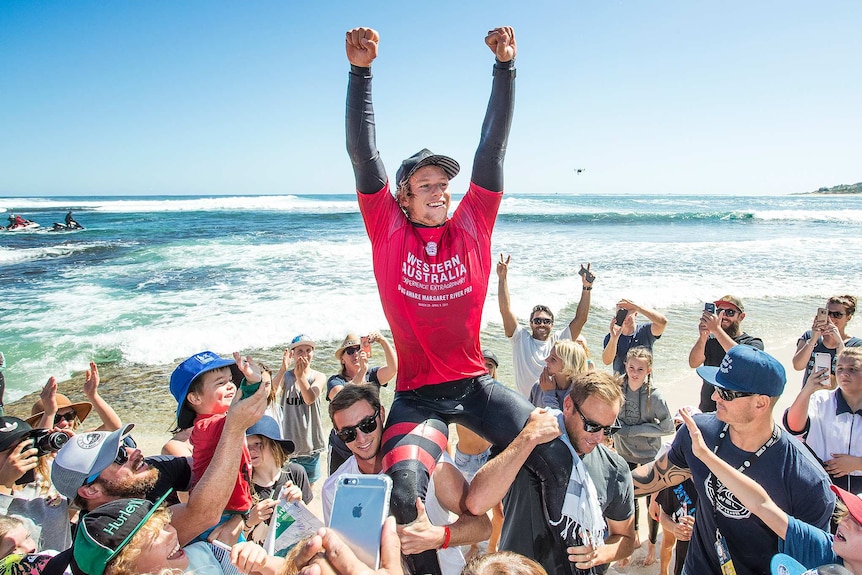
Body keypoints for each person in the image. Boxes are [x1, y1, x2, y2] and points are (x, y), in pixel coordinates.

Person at [346, 24, 585, 575]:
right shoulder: (387, 229)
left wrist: (506, 67)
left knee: (556, 457)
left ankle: (552, 561)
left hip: (476, 386)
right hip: (417, 398)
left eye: (442, 182)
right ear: (402, 199)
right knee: (404, 491)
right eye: (425, 183)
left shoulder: (474, 224)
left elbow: (491, 146)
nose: (439, 188)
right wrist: (361, 74)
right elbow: (365, 156)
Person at [631, 345, 835, 575]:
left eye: (727, 393)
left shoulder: (807, 480)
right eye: (717, 386)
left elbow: (814, 560)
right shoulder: (699, 434)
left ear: (761, 403)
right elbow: (656, 477)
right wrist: (598, 488)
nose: (714, 396)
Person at [466, 371, 636, 575]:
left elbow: (626, 538)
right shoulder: (528, 441)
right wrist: (528, 438)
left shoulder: (614, 469)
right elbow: (477, 501)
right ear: (568, 406)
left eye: (609, 429)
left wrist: (601, 553)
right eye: (592, 426)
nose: (599, 438)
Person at [322, 385, 490, 575]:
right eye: (348, 433)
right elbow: (340, 553)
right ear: (338, 435)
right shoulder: (333, 489)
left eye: (368, 424)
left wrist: (438, 536)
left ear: (382, 414)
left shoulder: (427, 462)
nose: (361, 438)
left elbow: (483, 526)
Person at [679, 407, 862, 574]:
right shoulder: (822, 547)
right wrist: (705, 455)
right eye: (848, 515)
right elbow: (761, 505)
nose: (844, 523)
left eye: (858, 526)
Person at [169, 350, 264, 541]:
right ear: (195, 398)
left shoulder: (218, 422)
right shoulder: (208, 426)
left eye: (230, 380)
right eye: (221, 383)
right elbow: (244, 408)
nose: (230, 386)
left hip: (230, 512)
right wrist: (253, 384)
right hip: (219, 516)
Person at [70, 493, 285, 575]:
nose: (172, 534)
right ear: (124, 570)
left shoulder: (207, 553)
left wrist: (262, 563)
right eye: (155, 537)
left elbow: (283, 570)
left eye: (165, 524)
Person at [497, 254, 595, 396]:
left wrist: (587, 288)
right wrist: (502, 278)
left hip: (552, 402)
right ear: (531, 324)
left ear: (552, 324)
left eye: (546, 321)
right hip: (525, 404)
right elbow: (505, 310)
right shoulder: (520, 338)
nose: (541, 324)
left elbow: (581, 319)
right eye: (537, 321)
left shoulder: (559, 340)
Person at [613, 347, 674, 568]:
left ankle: (651, 544)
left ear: (648, 370)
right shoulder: (617, 387)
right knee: (629, 497)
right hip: (624, 452)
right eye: (631, 368)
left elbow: (668, 428)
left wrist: (635, 430)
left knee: (652, 501)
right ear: (625, 366)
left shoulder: (655, 396)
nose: (635, 373)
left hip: (648, 454)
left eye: (640, 369)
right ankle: (633, 537)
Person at [784, 347, 862, 493]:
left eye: (852, 369)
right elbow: (794, 428)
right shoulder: (820, 400)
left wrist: (857, 463)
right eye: (839, 368)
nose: (844, 374)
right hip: (821, 481)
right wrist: (807, 390)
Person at [452, 348, 505, 558]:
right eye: (482, 363)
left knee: (499, 512)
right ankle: (474, 545)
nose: (485, 367)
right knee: (469, 512)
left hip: (489, 459)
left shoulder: (498, 394)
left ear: (494, 370)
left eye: (490, 365)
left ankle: (492, 548)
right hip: (464, 459)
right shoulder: (460, 391)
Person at [326, 331, 397, 474]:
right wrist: (362, 371)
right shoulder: (335, 380)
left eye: (358, 349)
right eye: (350, 351)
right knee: (338, 486)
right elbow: (341, 397)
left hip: (368, 439)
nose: (355, 354)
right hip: (343, 445)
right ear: (342, 359)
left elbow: (393, 368)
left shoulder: (372, 375)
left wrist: (382, 341)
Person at [688, 295, 764, 412]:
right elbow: (693, 363)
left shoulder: (753, 343)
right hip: (708, 408)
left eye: (729, 312)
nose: (723, 316)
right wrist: (703, 336)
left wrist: (716, 330)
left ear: (741, 317)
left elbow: (743, 360)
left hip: (736, 412)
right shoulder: (710, 340)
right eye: (719, 312)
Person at [244, 415, 310, 546]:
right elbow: (231, 539)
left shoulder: (296, 473)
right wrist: (249, 521)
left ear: (274, 445)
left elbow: (311, 528)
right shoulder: (242, 483)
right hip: (256, 560)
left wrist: (300, 505)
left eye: (257, 443)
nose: (251, 450)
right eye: (247, 445)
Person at [272, 334, 326, 486]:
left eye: (308, 350)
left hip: (310, 447)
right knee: (287, 492)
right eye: (300, 351)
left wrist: (300, 377)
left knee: (307, 491)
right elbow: (271, 394)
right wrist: (283, 369)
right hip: (288, 448)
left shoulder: (319, 376)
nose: (304, 354)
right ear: (292, 354)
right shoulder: (286, 377)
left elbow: (309, 398)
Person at [27, 363, 121, 433]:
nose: (64, 423)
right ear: (36, 426)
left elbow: (114, 428)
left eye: (69, 416)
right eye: (56, 418)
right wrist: (49, 414)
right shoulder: (30, 454)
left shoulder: (80, 441)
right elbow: (42, 448)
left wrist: (93, 395)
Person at [792, 296, 860, 387]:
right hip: (810, 396)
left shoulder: (856, 345)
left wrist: (839, 341)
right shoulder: (809, 336)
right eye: (828, 313)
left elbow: (847, 369)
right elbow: (798, 366)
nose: (831, 318)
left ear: (848, 317)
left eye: (837, 314)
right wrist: (813, 339)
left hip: (839, 398)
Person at [602, 299, 668, 375]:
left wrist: (639, 308)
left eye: (627, 312)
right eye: (620, 312)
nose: (625, 317)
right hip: (620, 384)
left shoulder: (645, 331)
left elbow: (663, 322)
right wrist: (614, 339)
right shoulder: (611, 336)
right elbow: (606, 361)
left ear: (636, 313)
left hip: (645, 383)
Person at [529, 340, 588, 409]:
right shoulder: (539, 386)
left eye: (553, 359)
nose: (546, 360)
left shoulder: (580, 395)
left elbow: (557, 419)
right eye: (549, 356)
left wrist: (548, 393)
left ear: (569, 366)